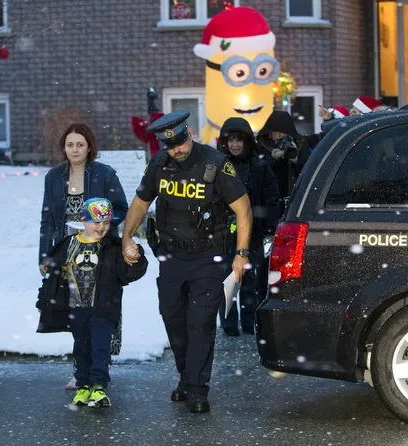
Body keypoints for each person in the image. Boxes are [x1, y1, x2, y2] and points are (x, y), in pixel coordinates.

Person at [121, 110, 252, 413]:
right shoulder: (160, 163)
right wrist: (127, 236)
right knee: (173, 319)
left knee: (201, 322)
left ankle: (198, 389)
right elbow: (141, 201)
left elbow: (243, 209)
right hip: (171, 256)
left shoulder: (216, 164)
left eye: (179, 143)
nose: (176, 150)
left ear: (190, 134)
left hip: (208, 257)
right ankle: (185, 378)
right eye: (169, 146)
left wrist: (241, 255)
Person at [38, 122, 128, 389]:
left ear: (89, 147)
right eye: (69, 145)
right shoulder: (53, 177)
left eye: (80, 144)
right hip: (67, 253)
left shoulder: (104, 174)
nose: (74, 149)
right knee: (77, 314)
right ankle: (81, 371)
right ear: (63, 148)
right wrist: (45, 255)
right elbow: (47, 220)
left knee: (101, 310)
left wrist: (101, 224)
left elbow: (122, 207)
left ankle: (100, 368)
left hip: (99, 251)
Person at [36, 198, 148, 408]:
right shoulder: (69, 244)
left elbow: (128, 274)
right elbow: (55, 277)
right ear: (82, 220)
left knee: (100, 348)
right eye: (96, 222)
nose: (101, 227)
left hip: (103, 308)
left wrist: (136, 258)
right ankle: (83, 385)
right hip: (76, 309)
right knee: (81, 347)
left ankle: (98, 386)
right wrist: (46, 297)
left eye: (105, 222)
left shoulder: (111, 247)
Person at [217, 117, 280, 336]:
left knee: (250, 279)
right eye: (231, 140)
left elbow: (271, 198)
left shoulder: (260, 166)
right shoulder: (218, 165)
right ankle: (229, 324)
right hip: (224, 232)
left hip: (253, 230)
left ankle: (249, 321)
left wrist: (270, 226)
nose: (235, 145)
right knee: (227, 278)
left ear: (246, 142)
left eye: (239, 140)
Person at [257, 110, 309, 201]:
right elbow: (258, 172)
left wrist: (297, 160)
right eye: (277, 132)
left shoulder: (300, 143)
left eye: (283, 132)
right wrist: (273, 158)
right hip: (270, 198)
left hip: (295, 196)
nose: (280, 135)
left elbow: (309, 171)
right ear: (270, 132)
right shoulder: (262, 146)